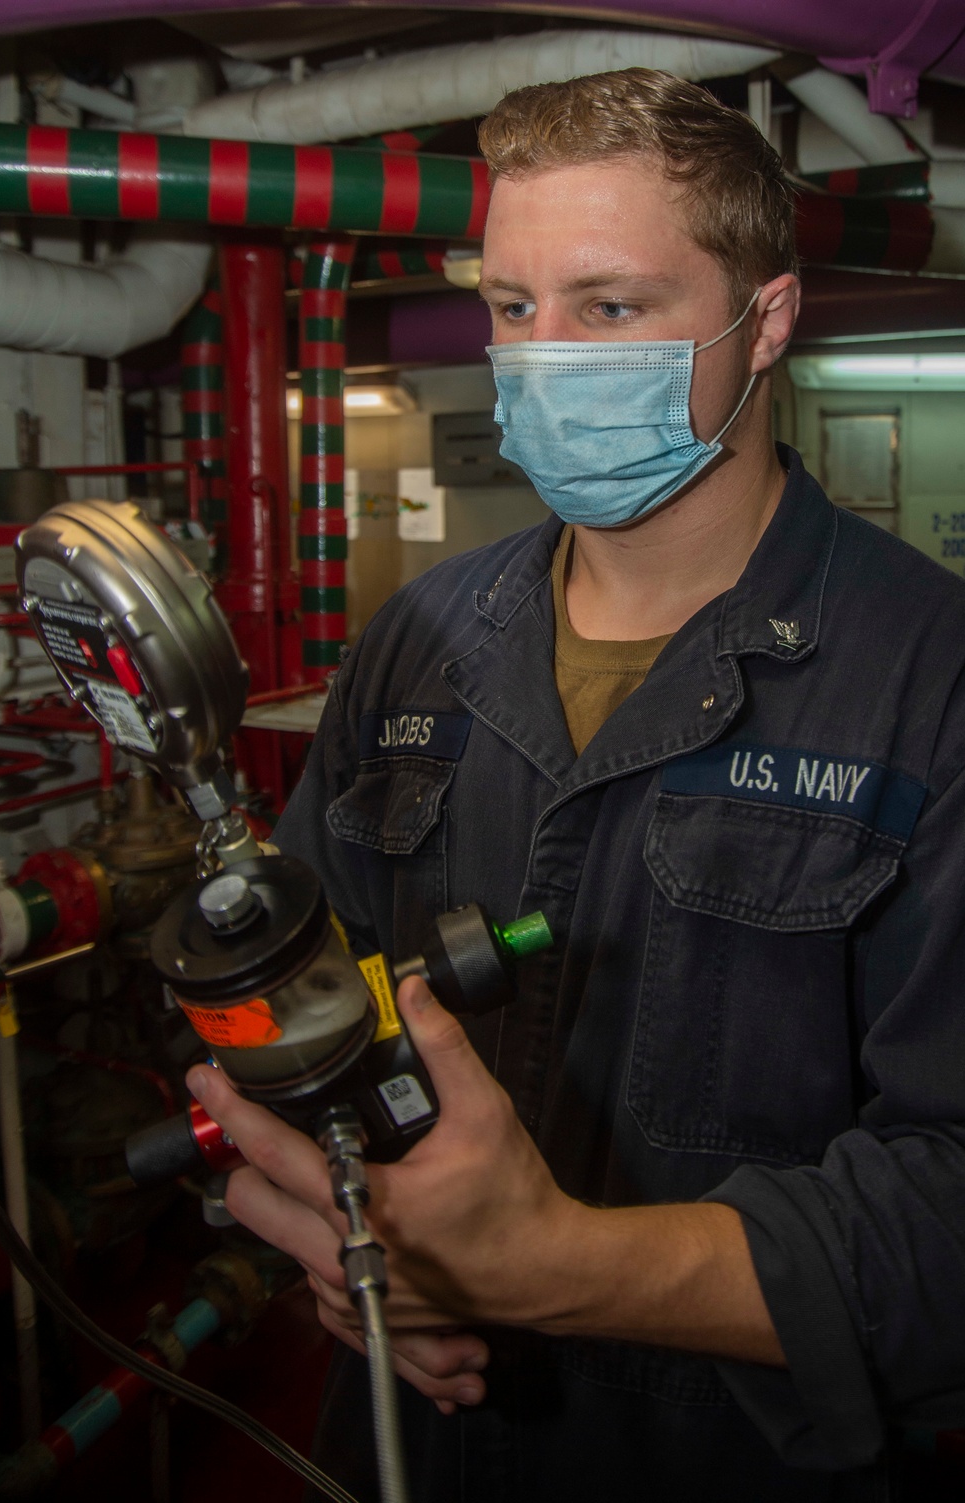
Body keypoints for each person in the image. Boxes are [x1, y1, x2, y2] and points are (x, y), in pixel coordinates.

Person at [187, 68, 965, 1502]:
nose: (542, 360)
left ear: (768, 320)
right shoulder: (416, 644)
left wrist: (559, 1269)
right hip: (413, 1443)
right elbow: (312, 1012)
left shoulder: (935, 680)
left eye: (609, 309)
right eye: (510, 307)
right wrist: (340, 1242)